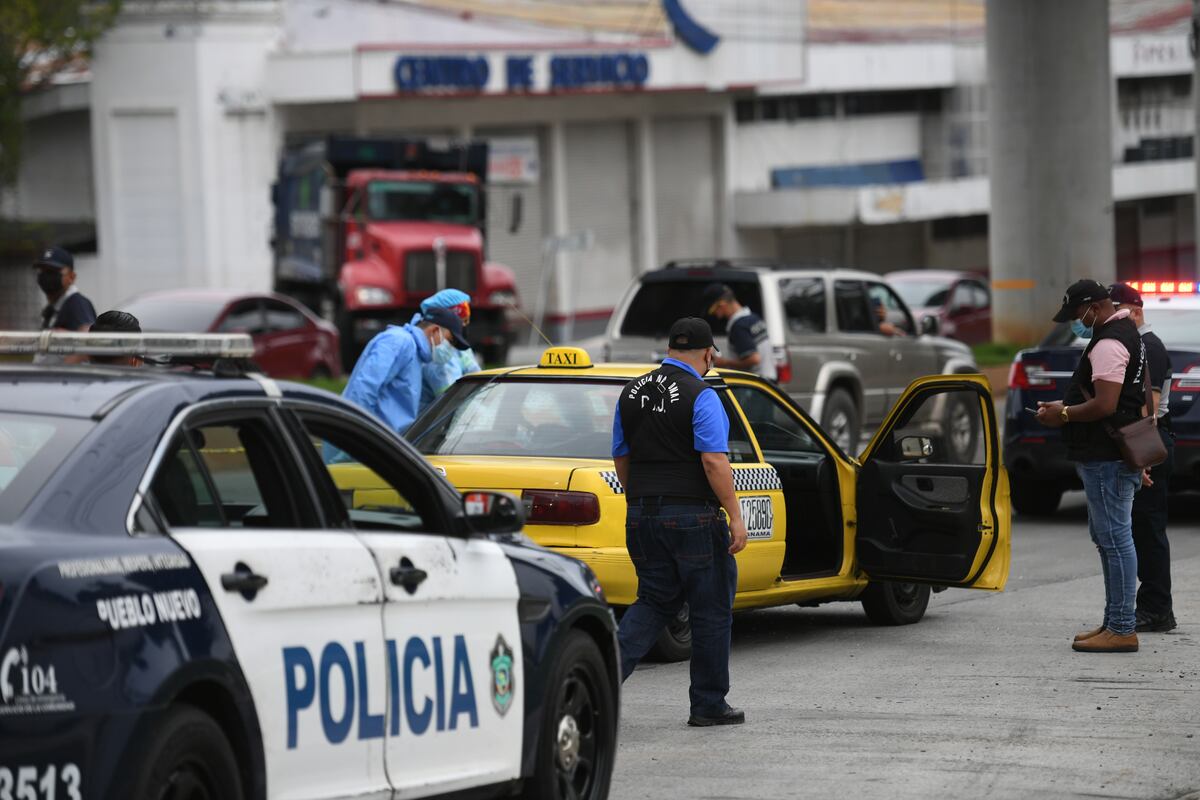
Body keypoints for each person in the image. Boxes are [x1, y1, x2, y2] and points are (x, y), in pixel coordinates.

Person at [611, 317, 749, 726]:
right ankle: (708, 704)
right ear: (708, 353)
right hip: (693, 517)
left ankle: (592, 680)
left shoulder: (630, 392)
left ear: (670, 349)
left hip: (641, 515)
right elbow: (713, 460)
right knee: (710, 610)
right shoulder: (701, 394)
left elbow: (621, 455)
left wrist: (639, 499)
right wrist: (735, 516)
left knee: (654, 600)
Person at [1036, 280, 1147, 653]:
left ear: (1094, 308)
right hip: (1111, 456)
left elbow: (1106, 404)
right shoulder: (1125, 334)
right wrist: (1061, 405)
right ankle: (1114, 620)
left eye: (1075, 315)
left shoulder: (1110, 342)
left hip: (1107, 459)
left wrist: (1063, 414)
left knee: (1115, 541)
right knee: (1111, 541)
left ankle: (1120, 627)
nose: (1074, 323)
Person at [1108, 283, 1176, 633]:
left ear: (1135, 310)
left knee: (1148, 530)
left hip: (1148, 441)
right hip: (1141, 443)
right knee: (1138, 528)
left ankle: (1157, 608)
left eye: (1116, 310)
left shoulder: (1150, 347)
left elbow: (1147, 410)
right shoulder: (1136, 345)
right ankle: (1152, 604)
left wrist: (1142, 458)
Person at [342, 306, 471, 437]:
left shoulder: (417, 355)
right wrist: (355, 436)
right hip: (359, 443)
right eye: (450, 341)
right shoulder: (399, 342)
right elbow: (363, 389)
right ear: (435, 330)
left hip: (382, 441)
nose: (451, 350)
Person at [412, 289, 482, 411]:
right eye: (461, 314)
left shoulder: (453, 346)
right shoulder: (437, 352)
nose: (465, 323)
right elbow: (453, 400)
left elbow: (477, 378)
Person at [32, 246, 96, 365]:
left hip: (63, 381)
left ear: (71, 277)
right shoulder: (55, 306)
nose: (46, 276)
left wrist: (60, 373)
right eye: (42, 271)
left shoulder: (76, 303)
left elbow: (89, 343)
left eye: (52, 272)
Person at [701, 283, 776, 380]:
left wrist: (725, 362)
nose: (714, 314)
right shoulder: (754, 318)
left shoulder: (739, 326)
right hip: (769, 381)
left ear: (722, 304)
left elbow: (754, 359)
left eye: (713, 310)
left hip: (754, 384)